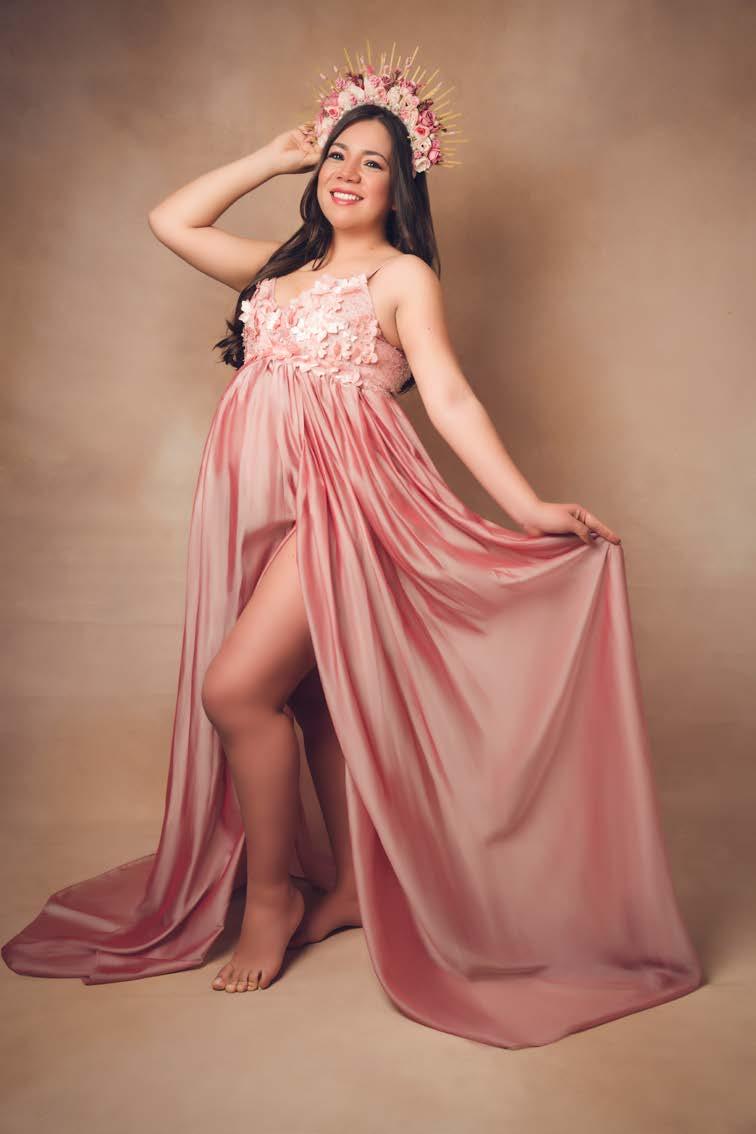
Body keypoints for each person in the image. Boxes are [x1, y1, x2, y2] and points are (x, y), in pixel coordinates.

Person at [2, 48, 703, 1049]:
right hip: (259, 508)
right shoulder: (280, 269)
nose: (347, 172)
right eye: (337, 154)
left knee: (235, 692)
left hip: (349, 502)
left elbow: (447, 395)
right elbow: (171, 221)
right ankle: (347, 891)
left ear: (400, 187)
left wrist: (528, 505)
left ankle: (274, 899)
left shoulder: (402, 277)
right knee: (308, 699)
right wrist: (269, 155)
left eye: (373, 162)